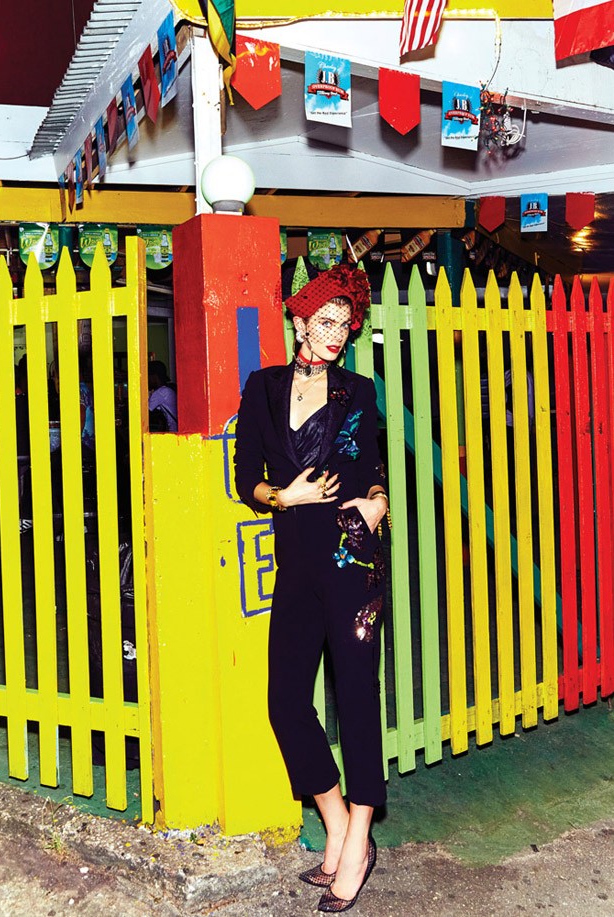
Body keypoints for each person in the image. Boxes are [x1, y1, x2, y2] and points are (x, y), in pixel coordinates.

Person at [234, 264, 389, 913]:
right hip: (296, 560)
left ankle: (357, 838)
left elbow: (374, 467)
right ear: (300, 320)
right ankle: (337, 820)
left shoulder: (359, 390)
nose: (335, 332)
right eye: (324, 319)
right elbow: (244, 475)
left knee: (356, 696)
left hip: (354, 558)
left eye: (345, 323)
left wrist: (377, 502)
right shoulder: (263, 387)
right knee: (286, 701)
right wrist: (283, 495)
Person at [148, 360, 178, 432]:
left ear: (154, 377)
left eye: (148, 377)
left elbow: (144, 412)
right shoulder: (168, 389)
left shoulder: (160, 393)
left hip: (172, 431)